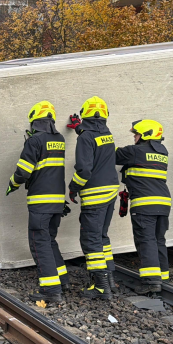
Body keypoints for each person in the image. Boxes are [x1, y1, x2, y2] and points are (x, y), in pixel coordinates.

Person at [6, 101, 69, 303]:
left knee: (39, 243)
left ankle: (51, 290)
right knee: (49, 240)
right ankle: (62, 280)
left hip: (40, 203)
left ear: (35, 120)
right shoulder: (59, 139)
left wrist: (12, 184)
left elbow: (23, 171)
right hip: (57, 201)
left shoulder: (34, 141)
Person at [67, 96, 119, 300]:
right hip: (111, 191)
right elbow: (93, 136)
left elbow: (84, 170)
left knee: (91, 239)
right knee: (102, 236)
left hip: (95, 194)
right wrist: (79, 128)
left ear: (85, 114)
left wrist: (73, 188)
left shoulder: (85, 138)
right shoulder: (107, 133)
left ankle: (101, 287)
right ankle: (110, 280)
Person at [115, 120, 172, 294]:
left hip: (144, 204)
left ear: (145, 135)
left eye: (136, 134)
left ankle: (151, 282)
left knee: (145, 240)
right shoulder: (163, 152)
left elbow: (110, 153)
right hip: (163, 203)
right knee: (158, 239)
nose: (134, 137)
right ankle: (162, 275)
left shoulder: (135, 151)